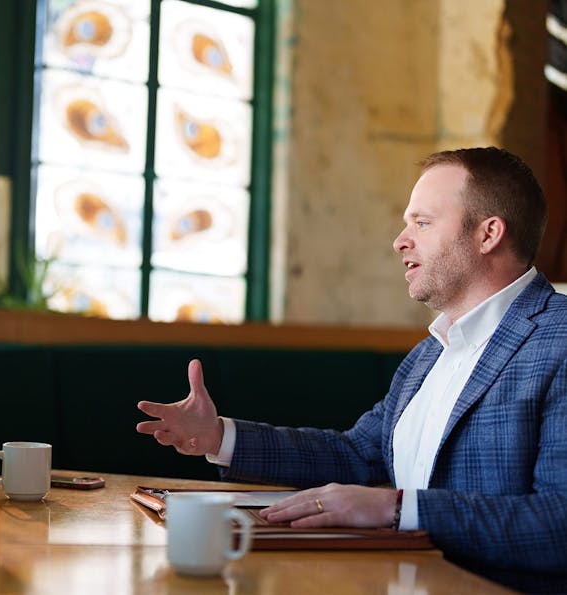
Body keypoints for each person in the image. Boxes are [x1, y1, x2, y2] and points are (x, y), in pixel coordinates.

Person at [136, 147, 567, 593]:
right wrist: (219, 437)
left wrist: (396, 509)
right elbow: (356, 456)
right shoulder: (429, 354)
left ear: (488, 233)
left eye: (422, 222)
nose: (400, 240)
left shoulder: (561, 340)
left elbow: (559, 525)